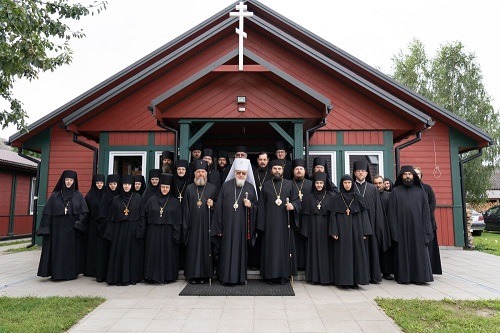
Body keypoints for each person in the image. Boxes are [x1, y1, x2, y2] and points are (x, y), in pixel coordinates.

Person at [212, 158, 258, 285]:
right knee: (226, 252)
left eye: (243, 173)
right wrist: (219, 228)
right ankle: (225, 278)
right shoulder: (226, 186)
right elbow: (219, 208)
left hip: (243, 228)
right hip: (227, 227)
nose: (241, 175)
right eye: (239, 172)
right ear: (234, 172)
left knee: (241, 253)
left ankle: (240, 278)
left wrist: (251, 206)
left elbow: (257, 208)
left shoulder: (250, 187)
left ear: (247, 174)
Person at [37, 170, 88, 281]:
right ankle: (57, 273)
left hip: (72, 229)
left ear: (74, 181)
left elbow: (84, 212)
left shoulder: (78, 195)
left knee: (70, 252)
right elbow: (47, 213)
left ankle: (71, 274)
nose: (68, 182)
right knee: (58, 251)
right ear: (63, 180)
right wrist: (46, 228)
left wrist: (79, 224)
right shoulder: (55, 195)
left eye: (71, 180)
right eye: (66, 180)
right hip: (57, 230)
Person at [387, 165, 434, 285]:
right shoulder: (395, 192)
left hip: (418, 229)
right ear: (401, 176)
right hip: (401, 230)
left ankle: (420, 278)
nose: (407, 176)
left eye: (410, 174)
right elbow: (391, 213)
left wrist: (426, 230)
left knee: (419, 254)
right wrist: (394, 231)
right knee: (402, 254)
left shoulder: (421, 192)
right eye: (405, 174)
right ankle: (404, 278)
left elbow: (426, 213)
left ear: (413, 176)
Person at [257, 159, 298, 284]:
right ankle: (270, 276)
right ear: (271, 170)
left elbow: (297, 201)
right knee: (271, 250)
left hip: (285, 223)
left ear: (283, 171)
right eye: (275, 169)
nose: (277, 171)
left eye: (279, 169)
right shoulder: (266, 185)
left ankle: (283, 276)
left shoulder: (289, 184)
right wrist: (261, 226)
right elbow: (261, 206)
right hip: (269, 225)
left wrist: (293, 206)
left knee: (284, 250)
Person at [330, 174, 373, 288]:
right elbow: (333, 215)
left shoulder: (358, 197)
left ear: (352, 183)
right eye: (345, 183)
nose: (347, 185)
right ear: (341, 184)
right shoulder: (337, 198)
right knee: (343, 255)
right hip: (342, 230)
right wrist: (334, 231)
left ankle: (356, 281)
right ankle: (343, 281)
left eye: (349, 183)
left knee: (356, 254)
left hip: (356, 229)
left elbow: (364, 215)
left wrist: (365, 232)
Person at [352, 160, 391, 283]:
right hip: (355, 226)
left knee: (371, 251)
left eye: (363, 171)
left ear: (367, 173)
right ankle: (358, 276)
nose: (361, 173)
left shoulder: (372, 188)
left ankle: (372, 276)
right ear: (354, 173)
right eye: (358, 171)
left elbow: (378, 209)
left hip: (371, 226)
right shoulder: (350, 186)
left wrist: (378, 227)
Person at [141, 173, 182, 284]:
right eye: (163, 187)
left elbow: (178, 221)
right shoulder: (151, 200)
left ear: (170, 188)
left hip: (168, 233)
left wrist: (176, 235)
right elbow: (144, 216)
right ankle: (151, 276)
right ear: (160, 187)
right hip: (153, 232)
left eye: (167, 187)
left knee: (167, 254)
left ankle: (168, 276)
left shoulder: (175, 202)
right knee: (152, 254)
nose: (164, 189)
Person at [183, 160, 219, 284]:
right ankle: (192, 276)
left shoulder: (212, 188)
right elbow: (186, 209)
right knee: (193, 250)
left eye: (202, 172)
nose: (200, 174)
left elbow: (219, 208)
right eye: (198, 172)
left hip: (207, 225)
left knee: (206, 250)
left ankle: (205, 275)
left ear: (206, 173)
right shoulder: (189, 189)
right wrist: (186, 226)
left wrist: (213, 204)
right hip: (192, 226)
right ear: (194, 173)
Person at [105, 175, 144, 285]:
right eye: (125, 184)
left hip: (133, 230)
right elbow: (111, 217)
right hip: (119, 231)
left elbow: (142, 216)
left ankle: (132, 277)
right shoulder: (116, 199)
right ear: (122, 186)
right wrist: (111, 233)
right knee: (119, 254)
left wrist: (140, 231)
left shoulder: (138, 198)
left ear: (132, 186)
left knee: (132, 255)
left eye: (129, 185)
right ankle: (118, 278)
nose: (127, 186)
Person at [300, 172, 335, 285]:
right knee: (313, 252)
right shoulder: (309, 197)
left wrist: (333, 230)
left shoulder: (331, 196)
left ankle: (327, 278)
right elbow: (305, 215)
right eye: (317, 183)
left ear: (325, 184)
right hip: (313, 227)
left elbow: (334, 215)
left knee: (326, 253)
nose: (319, 185)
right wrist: (305, 231)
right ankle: (314, 278)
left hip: (326, 227)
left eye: (321, 183)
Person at [414, 166, 442, 275]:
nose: (416, 176)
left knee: (429, 247)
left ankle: (430, 269)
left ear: (421, 176)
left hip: (428, 222)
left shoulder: (427, 188)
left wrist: (423, 216)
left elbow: (432, 203)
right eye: (414, 173)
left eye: (418, 174)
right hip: (414, 223)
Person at [249, 151, 271, 269]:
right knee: (253, 234)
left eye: (264, 160)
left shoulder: (271, 174)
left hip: (266, 209)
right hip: (253, 206)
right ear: (257, 160)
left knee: (264, 235)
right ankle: (253, 263)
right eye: (260, 160)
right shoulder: (252, 173)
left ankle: (263, 262)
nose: (262, 162)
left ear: (268, 161)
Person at [96, 174, 120, 282]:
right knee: (105, 252)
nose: (113, 186)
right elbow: (101, 214)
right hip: (107, 228)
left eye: (115, 184)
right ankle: (103, 275)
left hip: (118, 228)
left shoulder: (120, 196)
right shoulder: (105, 197)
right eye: (110, 184)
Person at [290, 158, 313, 270]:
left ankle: (305, 266)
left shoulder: (311, 184)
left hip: (307, 217)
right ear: (293, 171)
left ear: (305, 171)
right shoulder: (288, 184)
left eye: (301, 169)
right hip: (292, 218)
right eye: (296, 169)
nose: (299, 171)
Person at [83, 174, 106, 278]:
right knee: (92, 247)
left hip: (104, 224)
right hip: (92, 224)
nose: (99, 185)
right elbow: (86, 211)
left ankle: (100, 270)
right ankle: (91, 270)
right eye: (97, 183)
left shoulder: (107, 194)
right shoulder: (89, 195)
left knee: (102, 247)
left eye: (101, 183)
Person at [373, 175, 394, 280]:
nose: (377, 185)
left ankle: (386, 272)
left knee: (386, 249)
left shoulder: (389, 196)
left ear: (383, 184)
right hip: (373, 225)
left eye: (379, 183)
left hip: (387, 226)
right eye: (375, 183)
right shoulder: (371, 195)